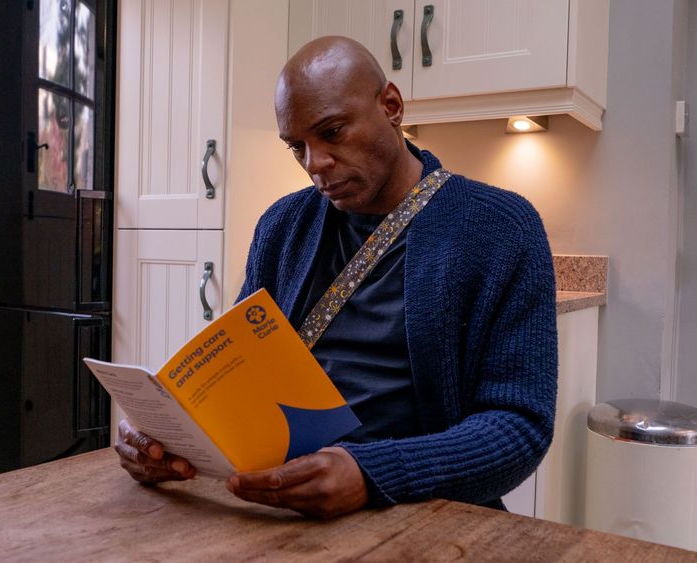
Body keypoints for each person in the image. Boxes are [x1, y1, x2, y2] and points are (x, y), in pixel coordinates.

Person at [115, 36, 558, 519]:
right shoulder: (282, 226)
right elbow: (239, 378)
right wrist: (165, 436)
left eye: (332, 132)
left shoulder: (500, 227)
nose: (315, 164)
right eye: (296, 147)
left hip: (422, 511)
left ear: (391, 105)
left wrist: (373, 474)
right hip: (275, 502)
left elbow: (520, 426)